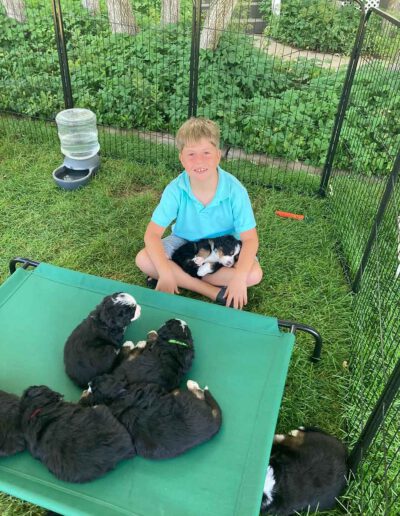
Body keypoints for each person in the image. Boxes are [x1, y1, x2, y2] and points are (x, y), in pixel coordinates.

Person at [135, 117, 263, 309]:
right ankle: (209, 290)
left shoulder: (235, 191)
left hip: (224, 246)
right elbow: (152, 234)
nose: (199, 160)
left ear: (218, 155)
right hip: (184, 242)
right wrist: (165, 271)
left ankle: (179, 275)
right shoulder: (176, 189)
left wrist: (239, 278)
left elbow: (250, 239)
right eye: (191, 154)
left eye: (206, 153)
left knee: (253, 275)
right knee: (143, 259)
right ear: (182, 159)